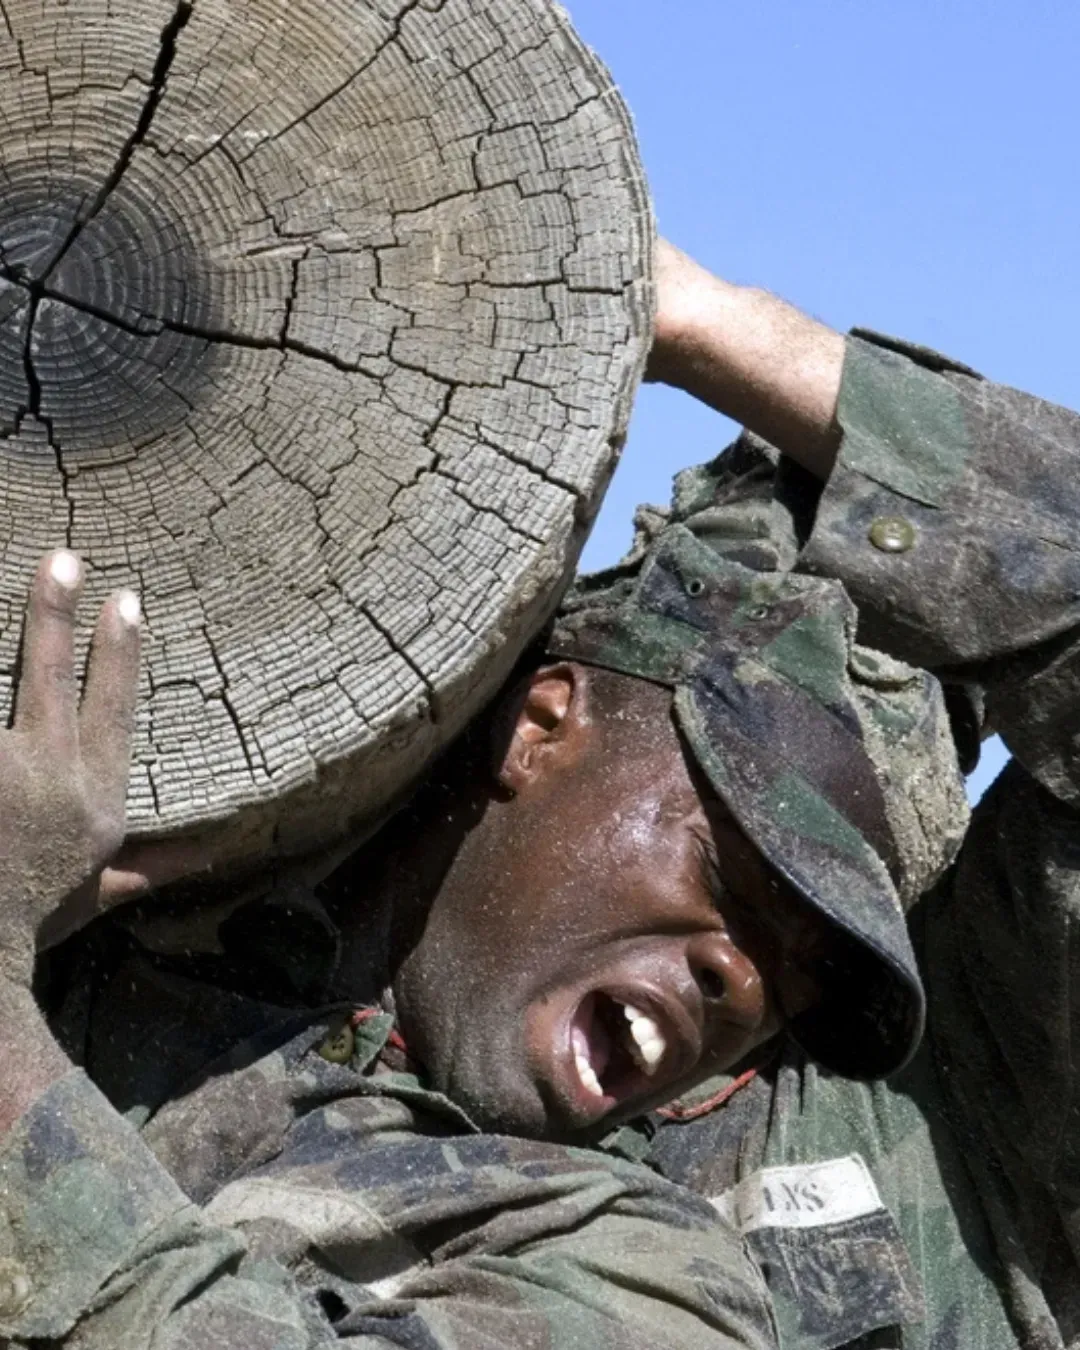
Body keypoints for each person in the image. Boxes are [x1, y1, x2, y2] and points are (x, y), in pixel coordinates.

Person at [0, 238, 1076, 1350]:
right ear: (539, 724)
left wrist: (718, 329)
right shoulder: (146, 958)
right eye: (737, 861)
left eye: (812, 969)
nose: (744, 977)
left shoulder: (937, 1107)